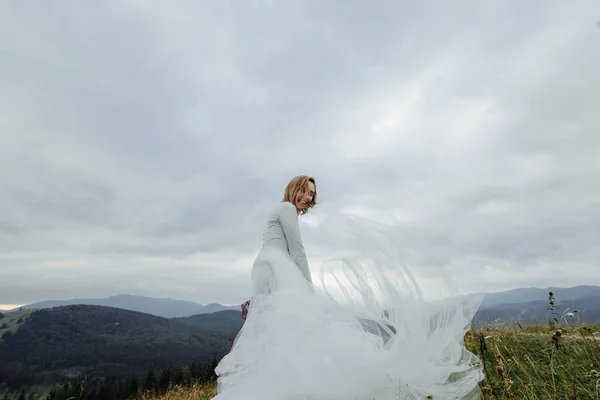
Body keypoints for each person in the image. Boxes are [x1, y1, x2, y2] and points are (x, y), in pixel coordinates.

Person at [213, 175, 484, 400]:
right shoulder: (285, 209)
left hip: (266, 267)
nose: (308, 198)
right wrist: (307, 286)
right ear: (294, 188)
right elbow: (297, 250)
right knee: (300, 324)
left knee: (278, 329)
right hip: (277, 265)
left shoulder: (280, 211)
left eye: (312, 194)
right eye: (305, 191)